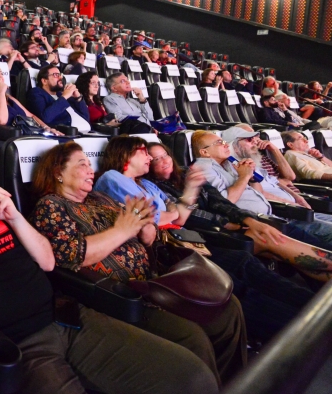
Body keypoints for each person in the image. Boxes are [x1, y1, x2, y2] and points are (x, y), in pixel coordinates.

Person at [0, 131, 220, 394]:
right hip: (19, 342)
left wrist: (13, 216)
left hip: (68, 316)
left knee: (192, 378)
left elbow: (48, 261)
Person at [32, 141, 247, 384]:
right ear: (58, 172)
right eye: (82, 164)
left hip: (155, 280)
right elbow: (70, 256)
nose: (91, 170)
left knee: (229, 310)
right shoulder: (51, 206)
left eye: (90, 164)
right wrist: (124, 230)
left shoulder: (100, 198)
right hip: (121, 296)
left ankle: (234, 383)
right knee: (192, 337)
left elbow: (144, 233)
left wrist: (146, 229)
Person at [145, 141, 319, 341]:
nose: (163, 161)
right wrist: (239, 226)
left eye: (164, 155)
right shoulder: (156, 188)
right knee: (277, 244)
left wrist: (248, 220)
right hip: (211, 234)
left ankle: (318, 306)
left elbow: (218, 201)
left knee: (282, 241)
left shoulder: (186, 173)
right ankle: (315, 315)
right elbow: (191, 217)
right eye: (155, 159)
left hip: (232, 225)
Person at [191, 130, 332, 255]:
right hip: (257, 224)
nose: (225, 144)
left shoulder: (229, 163)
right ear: (205, 152)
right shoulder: (203, 168)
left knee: (320, 250)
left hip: (272, 218)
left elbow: (257, 192)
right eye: (219, 143)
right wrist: (244, 176)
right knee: (321, 253)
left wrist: (252, 177)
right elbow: (225, 203)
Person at [0, 64, 61, 133]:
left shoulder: (10, 98)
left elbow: (31, 116)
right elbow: (1, 121)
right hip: (12, 138)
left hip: (30, 132)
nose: (0, 76)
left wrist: (48, 129)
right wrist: (1, 92)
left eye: (1, 73)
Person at [26, 65, 89, 129]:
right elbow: (45, 118)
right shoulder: (36, 92)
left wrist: (78, 98)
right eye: (56, 75)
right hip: (69, 134)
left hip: (88, 132)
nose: (60, 78)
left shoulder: (60, 94)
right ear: (44, 81)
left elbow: (86, 117)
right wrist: (64, 97)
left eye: (60, 75)